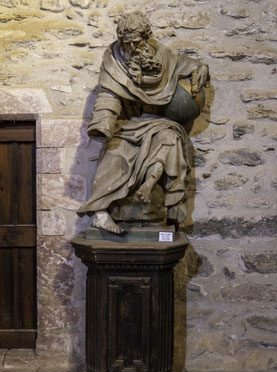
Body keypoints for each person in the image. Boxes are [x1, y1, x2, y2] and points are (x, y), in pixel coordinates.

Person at [77, 11, 209, 234]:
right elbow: (109, 95)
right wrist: (103, 123)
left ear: (146, 38)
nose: (131, 48)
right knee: (114, 152)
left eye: (136, 42)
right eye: (126, 43)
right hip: (129, 124)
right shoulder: (114, 60)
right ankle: (100, 212)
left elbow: (194, 66)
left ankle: (150, 189)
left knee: (169, 138)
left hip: (159, 122)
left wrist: (202, 70)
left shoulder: (166, 58)